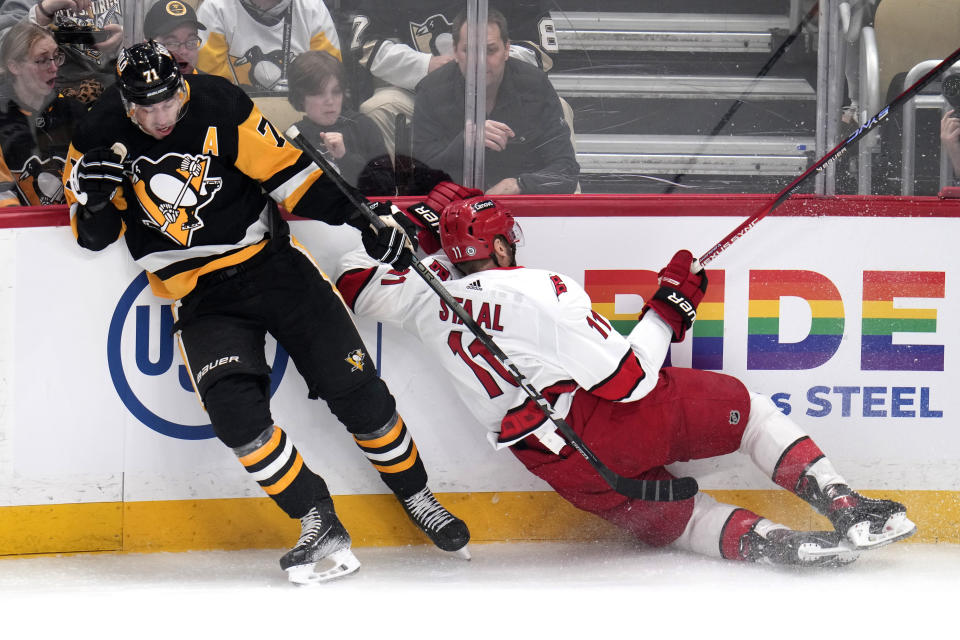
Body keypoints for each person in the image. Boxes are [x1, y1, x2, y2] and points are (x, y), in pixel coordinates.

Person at [334, 185, 918, 567]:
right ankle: (847, 506)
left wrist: (402, 221)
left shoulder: (421, 295)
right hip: (605, 424)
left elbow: (353, 280)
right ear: (503, 243)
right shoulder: (539, 289)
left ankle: (776, 544)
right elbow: (630, 381)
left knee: (677, 516)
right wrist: (667, 311)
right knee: (748, 410)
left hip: (558, 466)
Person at [62, 41, 469, 583]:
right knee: (236, 418)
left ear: (181, 86)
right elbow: (94, 236)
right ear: (125, 101)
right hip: (201, 296)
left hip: (274, 267)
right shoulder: (94, 136)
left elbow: (292, 175)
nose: (159, 118)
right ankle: (316, 518)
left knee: (357, 392)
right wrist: (90, 203)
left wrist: (366, 221)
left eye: (168, 103)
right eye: (145, 109)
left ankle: (418, 496)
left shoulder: (219, 104)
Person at [345, 1, 552, 159]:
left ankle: (559, 207)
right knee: (379, 108)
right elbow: (366, 46)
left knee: (560, 109)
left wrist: (485, 64)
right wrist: (426, 65)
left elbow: (542, 51)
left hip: (501, 96)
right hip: (421, 96)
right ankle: (386, 205)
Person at [412, 9, 578, 195]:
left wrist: (519, 185)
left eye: (490, 50)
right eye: (469, 51)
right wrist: (464, 144)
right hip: (453, 210)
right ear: (456, 52)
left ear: (507, 50)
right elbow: (418, 179)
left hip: (523, 206)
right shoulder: (431, 91)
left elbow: (566, 171)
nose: (480, 61)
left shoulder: (535, 86)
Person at [0, 20, 86, 206]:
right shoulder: (3, 119)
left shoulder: (74, 112)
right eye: (42, 60)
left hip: (69, 229)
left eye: (56, 56)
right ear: (14, 66)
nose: (54, 68)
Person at [286, 49, 394, 196]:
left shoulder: (363, 127)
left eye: (336, 92)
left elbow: (387, 188)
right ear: (300, 98)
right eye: (318, 93)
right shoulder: (292, 139)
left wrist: (345, 157)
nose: (330, 101)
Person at [196, 0, 341, 92]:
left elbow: (329, 83)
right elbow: (211, 91)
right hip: (237, 117)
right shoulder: (214, 9)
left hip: (301, 116)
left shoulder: (313, 8)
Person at [0, 0, 124, 104]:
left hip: (117, 88)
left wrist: (124, 40)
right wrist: (42, 12)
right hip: (52, 98)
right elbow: (5, 50)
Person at [143, 0, 206, 77]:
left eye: (191, 42)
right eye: (171, 43)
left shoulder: (214, 86)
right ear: (147, 48)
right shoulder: (134, 86)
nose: (184, 51)